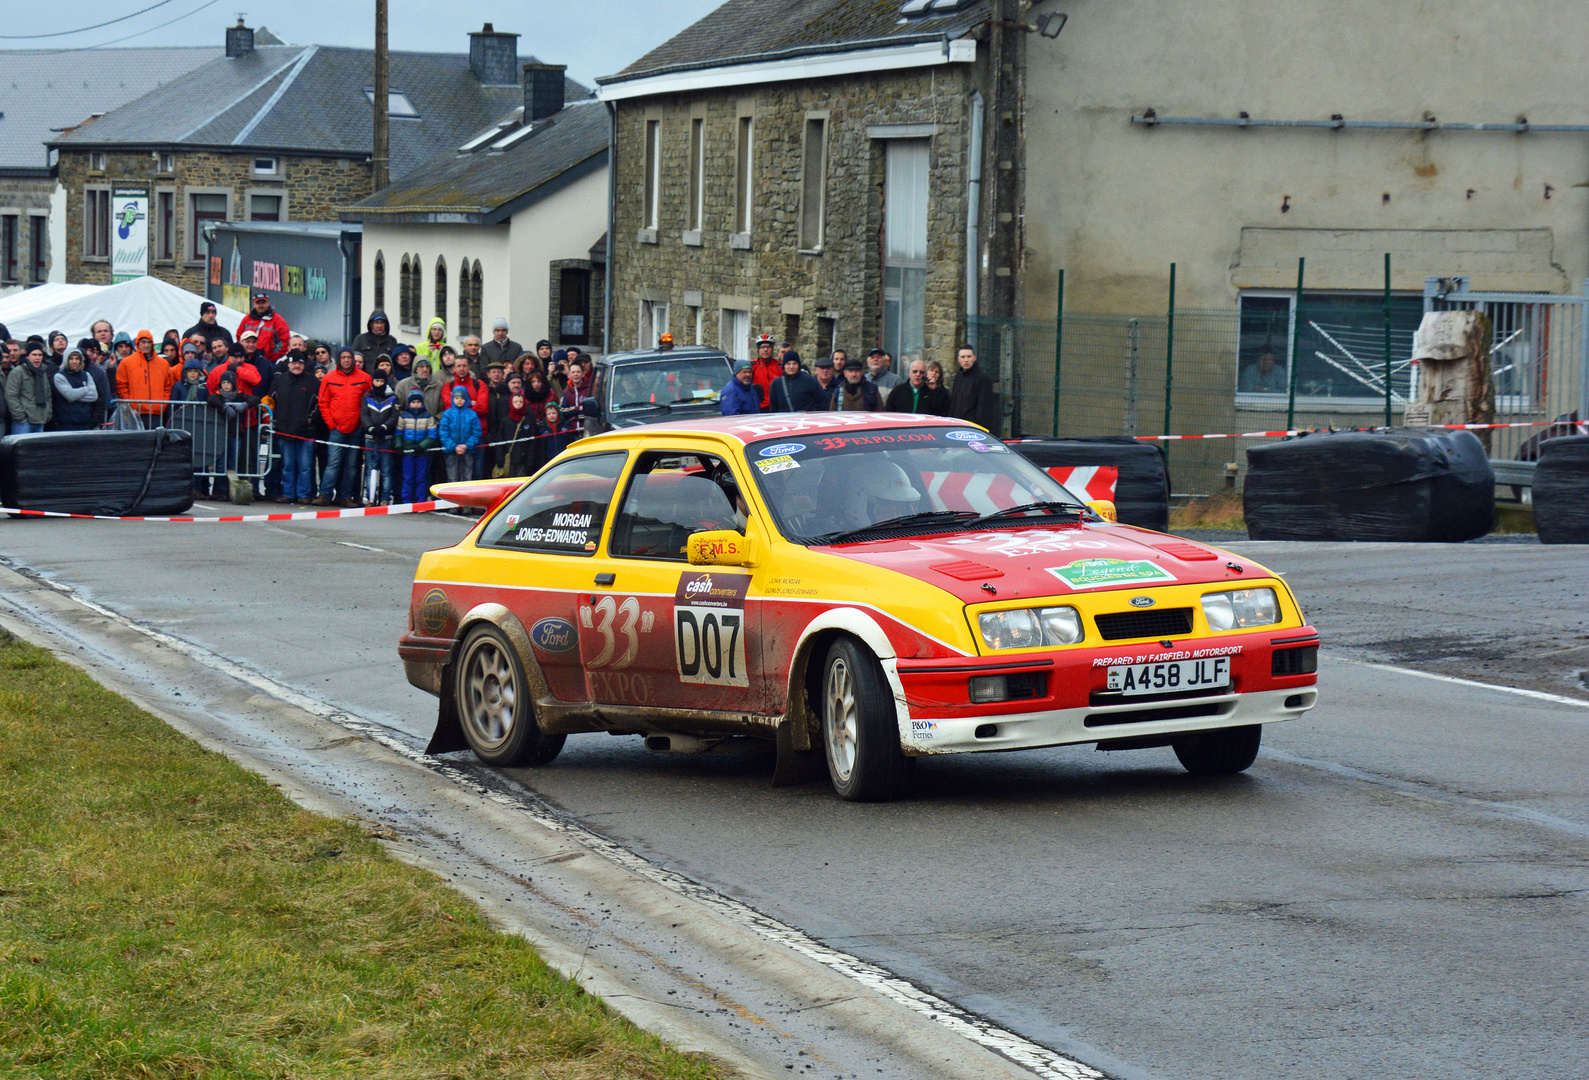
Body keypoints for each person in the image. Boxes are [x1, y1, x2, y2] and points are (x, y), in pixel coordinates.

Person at [314, 348, 372, 507]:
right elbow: (323, 403)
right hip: (336, 428)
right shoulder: (329, 378)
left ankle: (346, 496)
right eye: (343, 357)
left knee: (352, 465)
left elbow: (369, 402)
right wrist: (331, 423)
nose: (346, 360)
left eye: (349, 357)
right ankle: (325, 494)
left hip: (356, 428)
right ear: (339, 359)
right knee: (333, 463)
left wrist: (362, 423)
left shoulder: (365, 378)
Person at [268, 350, 320, 504]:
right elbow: (270, 401)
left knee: (305, 467)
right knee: (287, 466)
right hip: (284, 432)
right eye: (294, 362)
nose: (297, 365)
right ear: (288, 364)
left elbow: (320, 404)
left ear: (304, 364)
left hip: (306, 432)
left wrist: (311, 419)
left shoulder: (313, 382)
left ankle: (304, 494)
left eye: (300, 363)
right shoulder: (279, 380)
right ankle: (288, 493)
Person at [114, 330, 174, 426]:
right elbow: (121, 386)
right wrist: (131, 404)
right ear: (138, 344)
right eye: (143, 342)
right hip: (135, 412)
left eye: (149, 342)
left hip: (156, 412)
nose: (146, 345)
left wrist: (163, 404)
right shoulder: (126, 363)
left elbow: (168, 387)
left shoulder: (163, 364)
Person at [206, 369, 250, 486]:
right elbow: (211, 399)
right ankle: (220, 488)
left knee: (233, 462)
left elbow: (254, 399)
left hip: (235, 432)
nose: (225, 385)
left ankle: (232, 487)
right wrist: (225, 407)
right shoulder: (218, 395)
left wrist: (245, 405)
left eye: (228, 383)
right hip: (221, 433)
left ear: (233, 384)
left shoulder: (239, 395)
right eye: (223, 383)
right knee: (221, 462)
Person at [360, 370, 398, 505]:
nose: (379, 384)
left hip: (386, 437)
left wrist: (384, 427)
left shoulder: (392, 397)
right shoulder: (367, 396)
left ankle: (385, 498)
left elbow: (394, 416)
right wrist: (370, 427)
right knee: (370, 468)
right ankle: (370, 497)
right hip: (370, 437)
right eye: (376, 381)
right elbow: (364, 414)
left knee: (386, 470)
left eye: (381, 381)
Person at [396, 388, 440, 503]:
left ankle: (420, 500)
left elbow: (432, 434)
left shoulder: (428, 417)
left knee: (421, 477)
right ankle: (406, 501)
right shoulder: (404, 417)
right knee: (408, 477)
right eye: (413, 402)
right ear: (409, 403)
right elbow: (398, 433)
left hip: (422, 451)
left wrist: (422, 446)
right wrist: (398, 446)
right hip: (408, 452)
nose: (416, 405)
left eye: (418, 402)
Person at [439, 384, 482, 482]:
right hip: (451, 452)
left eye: (462, 398)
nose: (459, 400)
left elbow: (476, 432)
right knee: (452, 477)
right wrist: (454, 446)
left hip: (468, 451)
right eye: (456, 397)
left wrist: (466, 445)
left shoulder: (472, 414)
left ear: (466, 399)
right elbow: (443, 432)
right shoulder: (447, 414)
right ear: (452, 398)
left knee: (467, 477)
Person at [6, 344, 54, 432]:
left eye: (40, 355)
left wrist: (48, 413)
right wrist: (20, 416)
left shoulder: (42, 373)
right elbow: (11, 396)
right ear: (27, 356)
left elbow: (48, 395)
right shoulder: (18, 372)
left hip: (40, 419)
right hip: (23, 422)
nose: (37, 358)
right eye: (34, 355)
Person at [949, 344, 997, 430]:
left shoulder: (983, 378)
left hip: (973, 427)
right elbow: (954, 403)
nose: (966, 360)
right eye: (963, 357)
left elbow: (984, 408)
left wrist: (979, 428)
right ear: (958, 359)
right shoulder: (958, 377)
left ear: (974, 358)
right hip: (957, 425)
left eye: (969, 356)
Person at [237, 292, 290, 362]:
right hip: (247, 360)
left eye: (263, 302)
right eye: (258, 303)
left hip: (268, 361)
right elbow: (239, 337)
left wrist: (273, 357)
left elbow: (285, 341)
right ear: (254, 304)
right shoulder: (247, 319)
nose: (261, 305)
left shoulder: (278, 320)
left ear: (268, 303)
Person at [750, 334, 781, 410]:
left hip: (777, 407)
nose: (765, 350)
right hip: (759, 408)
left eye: (768, 347)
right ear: (758, 349)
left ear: (772, 349)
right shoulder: (752, 366)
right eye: (762, 347)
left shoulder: (780, 366)